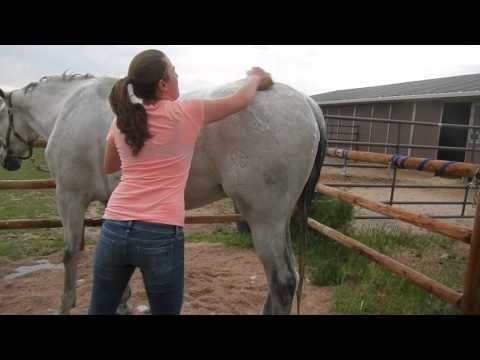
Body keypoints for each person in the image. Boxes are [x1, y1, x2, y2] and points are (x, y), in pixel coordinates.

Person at [88, 49, 273, 315]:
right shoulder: (188, 112)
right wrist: (255, 78)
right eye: (174, 71)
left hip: (114, 229)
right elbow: (241, 100)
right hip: (160, 234)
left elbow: (109, 166)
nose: (178, 76)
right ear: (163, 84)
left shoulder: (123, 120)